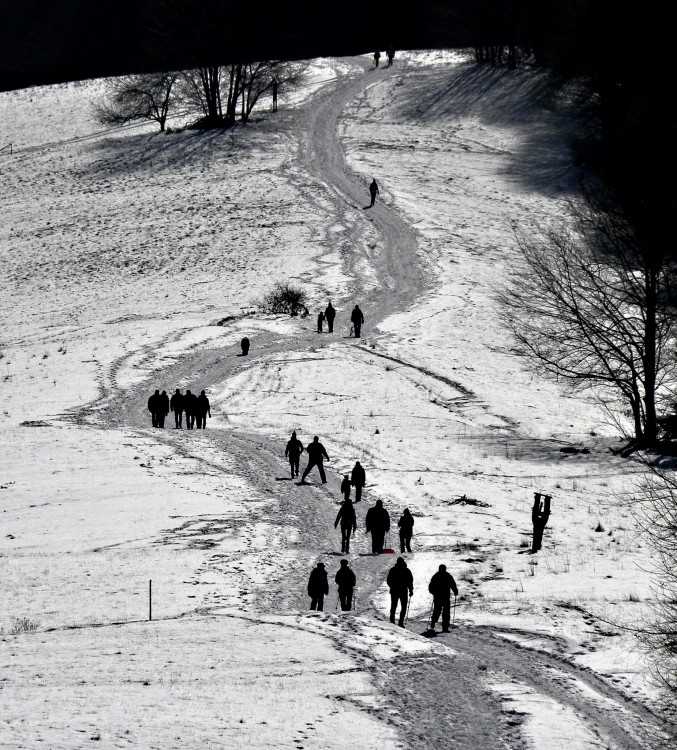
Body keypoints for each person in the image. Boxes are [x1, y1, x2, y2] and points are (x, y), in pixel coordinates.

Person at [428, 564, 458, 632]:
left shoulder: (436, 576)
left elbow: (430, 587)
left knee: (437, 611)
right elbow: (452, 584)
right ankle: (444, 628)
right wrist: (455, 591)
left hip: (439, 597)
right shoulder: (447, 576)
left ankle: (434, 623)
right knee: (445, 612)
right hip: (445, 597)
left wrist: (434, 593)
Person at [387, 557, 413, 627]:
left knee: (394, 606)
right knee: (402, 607)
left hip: (395, 591)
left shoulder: (393, 570)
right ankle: (400, 622)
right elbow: (410, 581)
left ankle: (393, 621)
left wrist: (392, 586)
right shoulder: (406, 570)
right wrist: (411, 590)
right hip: (403, 591)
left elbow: (389, 580)